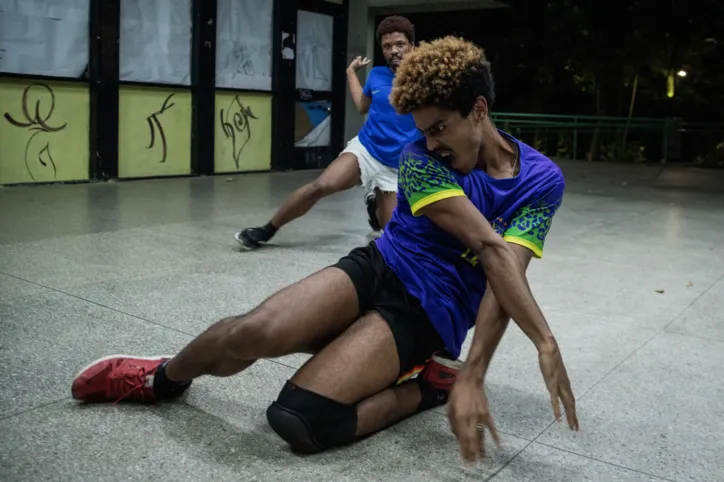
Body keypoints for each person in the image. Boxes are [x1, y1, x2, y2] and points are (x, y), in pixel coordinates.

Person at [71, 36, 578, 463]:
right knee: (253, 331)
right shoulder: (420, 159)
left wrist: (475, 373)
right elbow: (489, 247)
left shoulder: (539, 181)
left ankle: (430, 385)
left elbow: (503, 272)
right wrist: (544, 342)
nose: (431, 143)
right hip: (379, 267)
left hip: (428, 313)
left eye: (440, 128)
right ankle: (160, 379)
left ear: (479, 110)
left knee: (299, 418)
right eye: (424, 131)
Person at [235, 15, 421, 249]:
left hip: (396, 167)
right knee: (321, 186)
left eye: (399, 44)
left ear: (412, 46)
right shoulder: (376, 75)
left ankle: (374, 203)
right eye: (387, 46)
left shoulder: (424, 81)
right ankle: (266, 230)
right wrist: (351, 74)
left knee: (390, 235)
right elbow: (363, 106)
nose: (393, 50)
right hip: (368, 149)